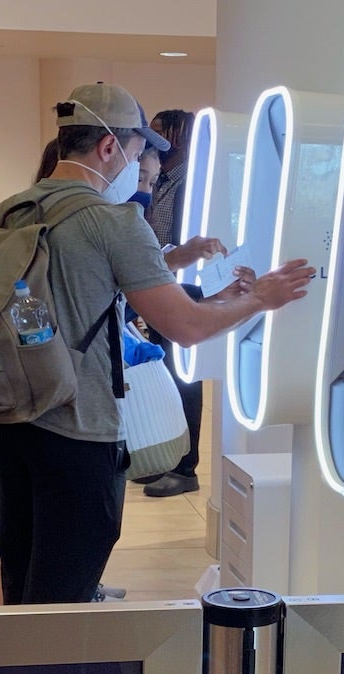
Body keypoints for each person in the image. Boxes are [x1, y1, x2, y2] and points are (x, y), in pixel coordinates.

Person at [0, 82, 315, 605]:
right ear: (110, 147)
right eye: (138, 154)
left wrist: (217, 294)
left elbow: (86, 299)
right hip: (75, 425)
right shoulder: (113, 221)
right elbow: (187, 328)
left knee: (23, 563)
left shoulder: (9, 210)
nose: (140, 169)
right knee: (66, 582)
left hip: (5, 421)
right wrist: (261, 298)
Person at [139, 109, 209, 498]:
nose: (158, 142)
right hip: (157, 284)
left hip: (184, 289)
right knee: (162, 378)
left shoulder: (193, 184)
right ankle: (166, 459)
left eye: (164, 134)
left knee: (184, 380)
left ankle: (186, 467)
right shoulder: (159, 180)